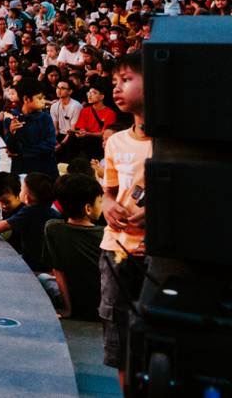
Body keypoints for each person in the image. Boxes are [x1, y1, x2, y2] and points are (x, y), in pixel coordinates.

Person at [99, 52, 150, 388]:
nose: (117, 88)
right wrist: (106, 204)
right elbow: (109, 192)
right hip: (116, 250)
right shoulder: (116, 141)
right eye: (114, 81)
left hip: (153, 254)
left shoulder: (172, 144)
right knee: (121, 343)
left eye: (127, 79)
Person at [0, 172, 59, 271]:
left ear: (27, 197)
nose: (2, 206)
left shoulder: (27, 211)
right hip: (47, 263)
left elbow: (5, 224)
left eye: (22, 190)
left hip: (32, 264)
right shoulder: (53, 213)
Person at [43, 173, 105, 320]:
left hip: (77, 306)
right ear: (88, 208)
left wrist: (68, 309)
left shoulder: (52, 228)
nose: (102, 206)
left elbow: (58, 271)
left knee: (44, 279)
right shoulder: (105, 235)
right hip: (102, 308)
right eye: (100, 202)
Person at [1, 77, 58, 176]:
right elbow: (12, 150)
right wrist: (12, 133)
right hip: (22, 169)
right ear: (26, 99)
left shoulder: (45, 118)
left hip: (44, 169)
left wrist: (23, 152)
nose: (43, 101)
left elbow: (50, 144)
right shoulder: (12, 118)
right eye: (39, 98)